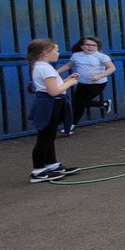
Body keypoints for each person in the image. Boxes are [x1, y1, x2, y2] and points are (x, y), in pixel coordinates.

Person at [25, 39, 80, 182]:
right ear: (45, 53)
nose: (58, 53)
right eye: (55, 50)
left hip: (52, 103)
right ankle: (38, 171)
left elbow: (52, 86)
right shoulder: (45, 68)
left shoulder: (42, 66)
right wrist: (70, 83)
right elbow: (53, 91)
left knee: (49, 135)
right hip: (49, 104)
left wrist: (66, 79)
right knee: (45, 137)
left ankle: (52, 165)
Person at [56, 36, 114, 135]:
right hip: (82, 83)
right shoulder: (76, 55)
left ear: (97, 47)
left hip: (97, 84)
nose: (90, 47)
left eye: (93, 45)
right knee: (77, 103)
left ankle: (103, 104)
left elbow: (111, 68)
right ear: (82, 46)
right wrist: (56, 72)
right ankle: (72, 126)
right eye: (87, 45)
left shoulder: (101, 56)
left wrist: (99, 76)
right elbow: (69, 65)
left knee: (80, 102)